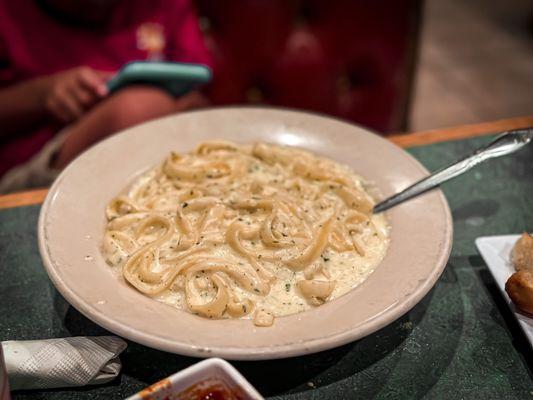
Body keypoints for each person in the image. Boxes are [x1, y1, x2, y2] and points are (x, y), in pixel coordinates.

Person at [0, 0, 212, 193]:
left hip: (163, 157)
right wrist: (42, 94)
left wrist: (189, 105)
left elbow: (200, 89)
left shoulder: (164, 6)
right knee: (137, 109)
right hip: (35, 170)